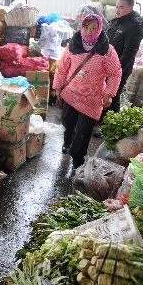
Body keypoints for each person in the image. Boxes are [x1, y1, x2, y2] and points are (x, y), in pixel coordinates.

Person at [53, 14, 122, 169]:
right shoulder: (73, 45)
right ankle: (67, 142)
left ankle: (78, 158)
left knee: (84, 130)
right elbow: (62, 68)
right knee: (68, 123)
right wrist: (58, 88)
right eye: (86, 27)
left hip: (92, 98)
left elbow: (115, 73)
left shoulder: (107, 50)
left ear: (99, 30)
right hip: (71, 93)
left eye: (93, 28)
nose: (89, 31)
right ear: (81, 27)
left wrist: (109, 94)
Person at [94, 0, 143, 137]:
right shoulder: (116, 21)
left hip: (120, 68)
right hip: (105, 65)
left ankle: (109, 127)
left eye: (121, 7)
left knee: (113, 96)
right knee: (103, 93)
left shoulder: (135, 25)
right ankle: (101, 120)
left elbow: (129, 53)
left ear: (131, 7)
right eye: (116, 7)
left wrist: (115, 71)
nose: (117, 10)